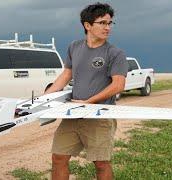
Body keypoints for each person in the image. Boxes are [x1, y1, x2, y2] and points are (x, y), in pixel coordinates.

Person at [45, 2, 128, 180]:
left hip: (99, 116)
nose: (108, 27)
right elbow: (65, 75)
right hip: (73, 115)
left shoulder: (115, 53)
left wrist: (89, 102)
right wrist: (44, 98)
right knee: (58, 157)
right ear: (87, 25)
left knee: (101, 163)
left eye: (110, 23)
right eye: (102, 23)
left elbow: (118, 85)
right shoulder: (74, 47)